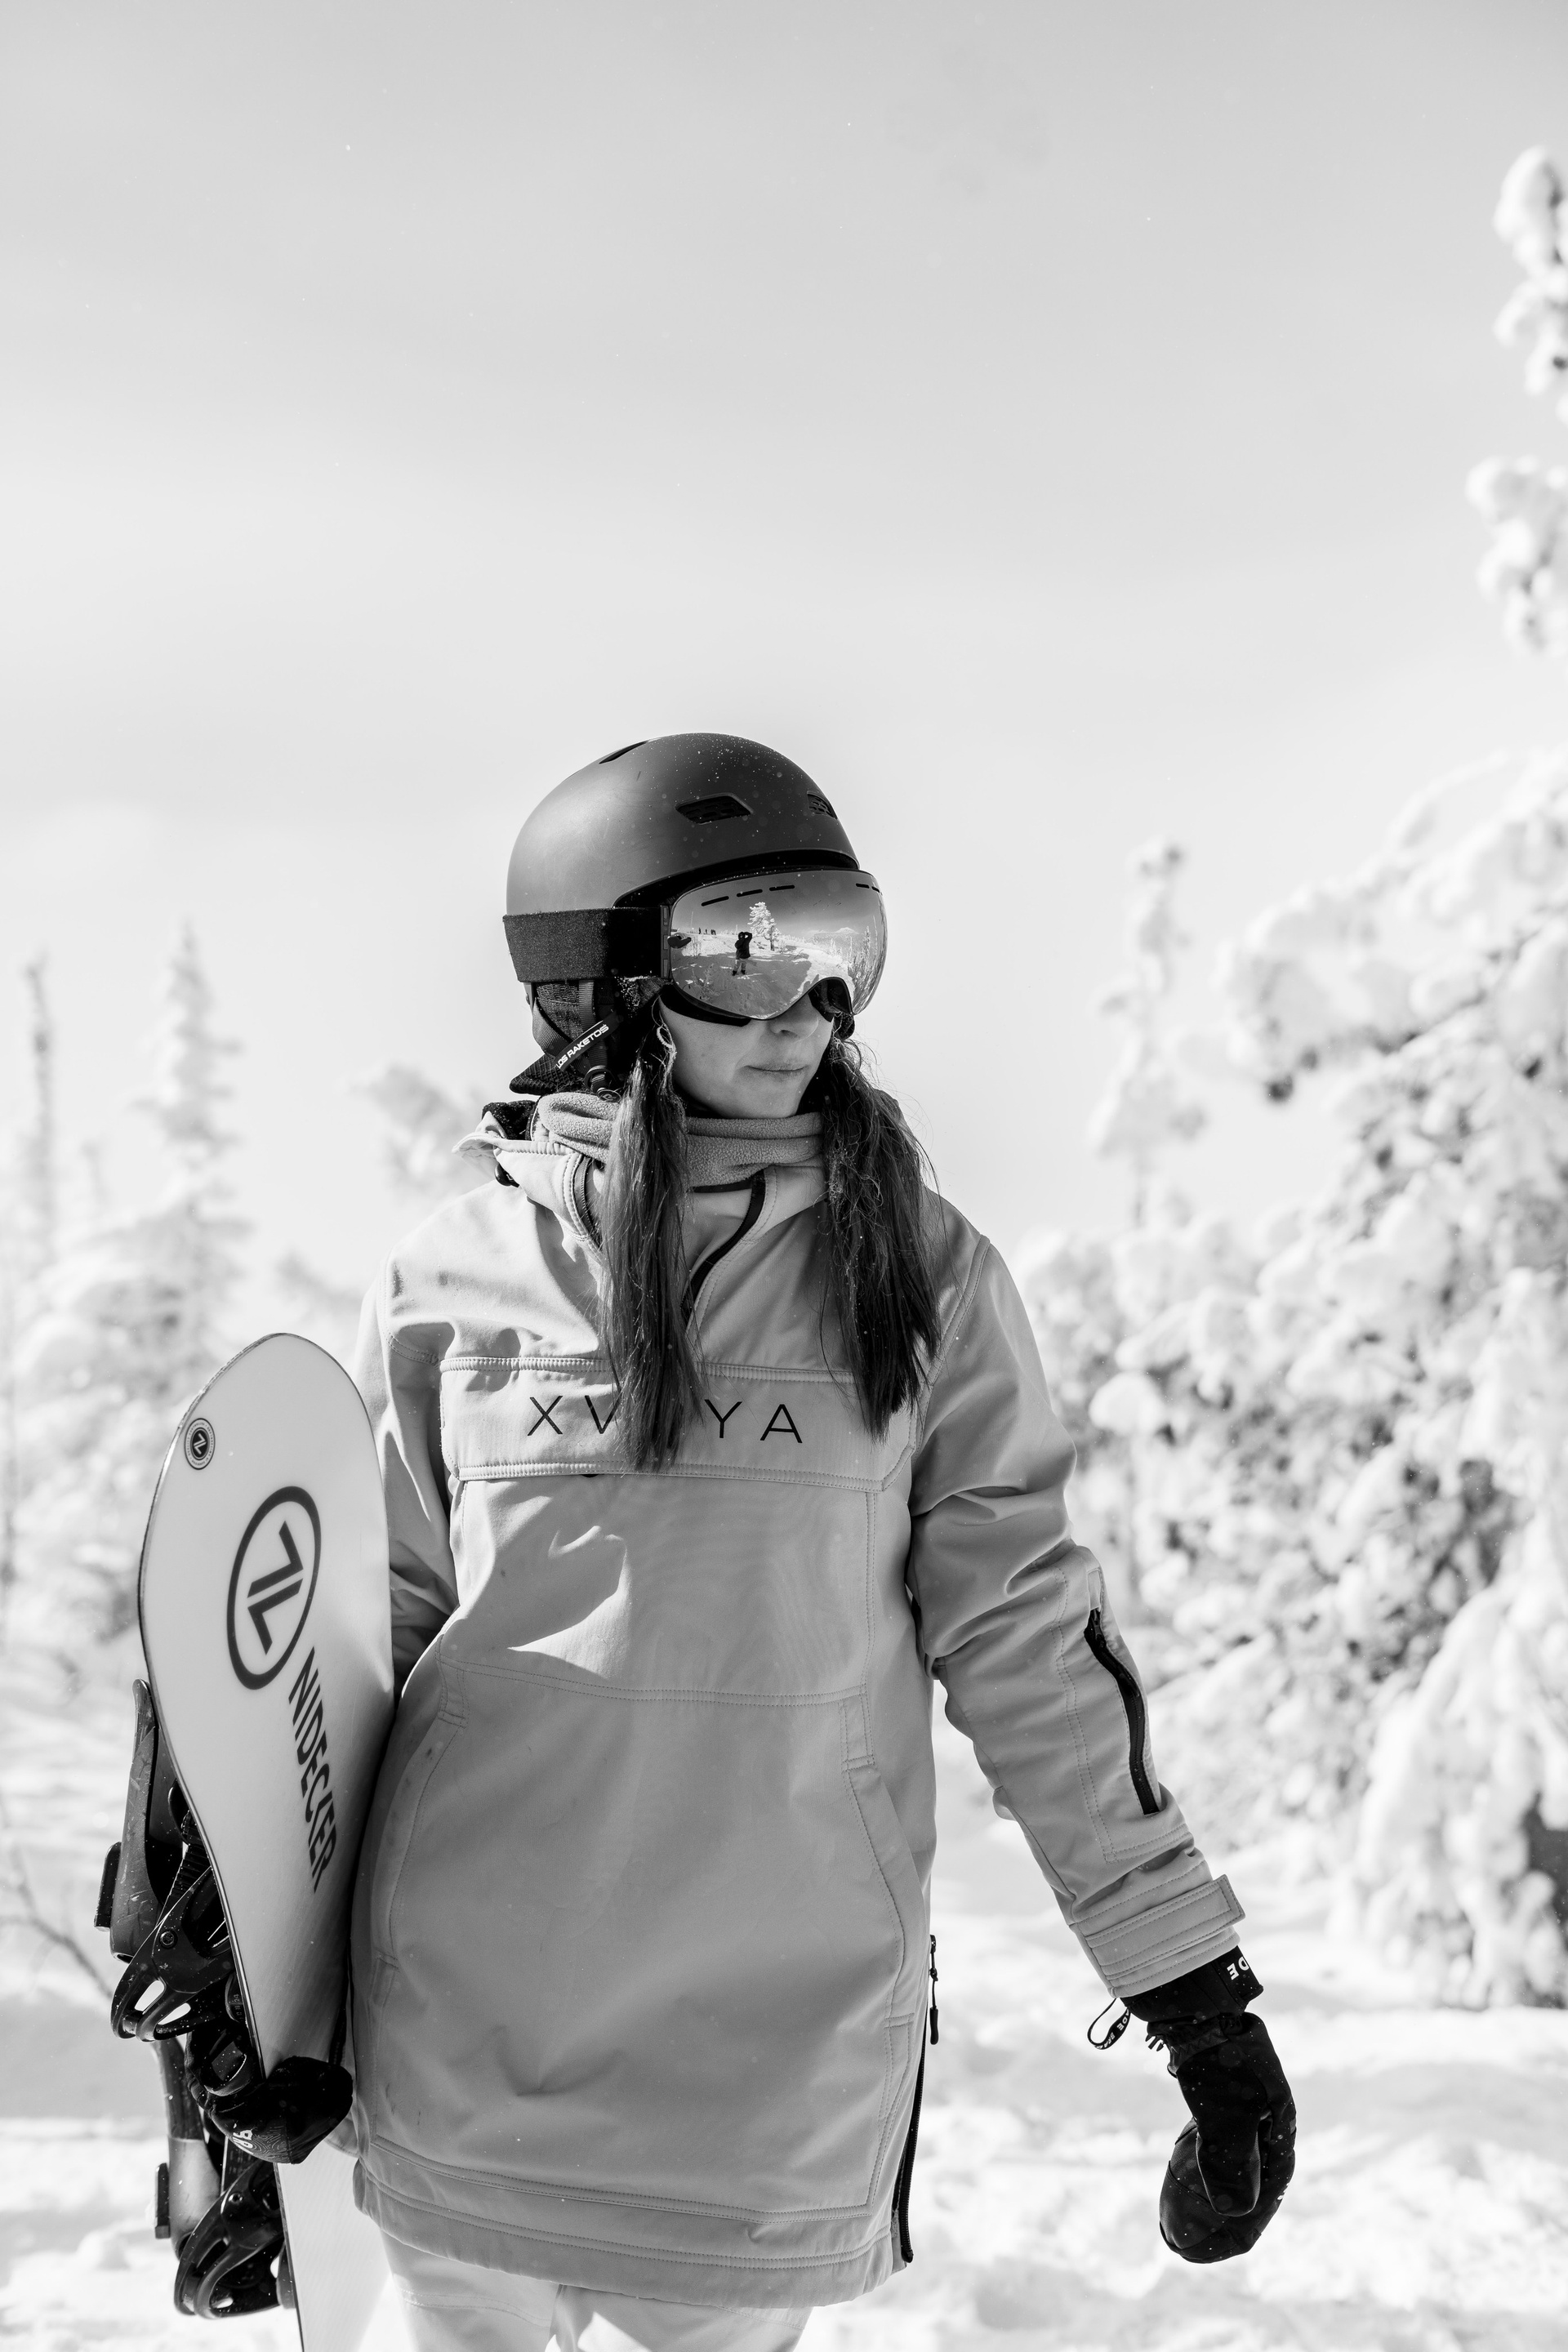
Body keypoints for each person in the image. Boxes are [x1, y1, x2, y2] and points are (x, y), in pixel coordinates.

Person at [348, 735, 1294, 2352]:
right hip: (463, 2040)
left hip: (770, 2066)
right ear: (599, 982)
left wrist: (1189, 1989)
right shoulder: (455, 1279)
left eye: (840, 944)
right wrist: (259, 2031)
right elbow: (357, 1663)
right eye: (742, 952)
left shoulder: (921, 1278)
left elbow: (1027, 1641)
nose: (809, 1004)